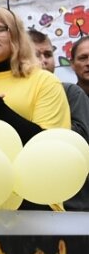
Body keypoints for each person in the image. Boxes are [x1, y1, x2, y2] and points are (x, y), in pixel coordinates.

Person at [0, 8, 70, 209]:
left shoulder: (44, 81)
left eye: (0, 29)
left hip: (35, 201)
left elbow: (49, 148)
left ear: (16, 35)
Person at [29, 29, 89, 211]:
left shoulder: (70, 94)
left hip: (76, 203)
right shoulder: (4, 96)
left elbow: (80, 141)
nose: (42, 61)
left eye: (48, 54)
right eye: (35, 54)